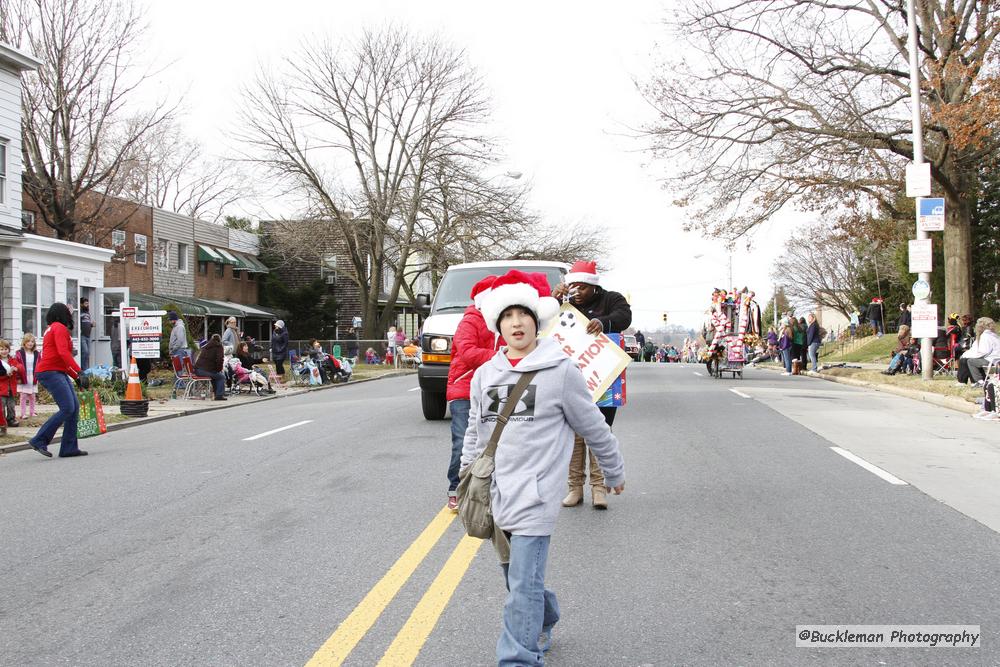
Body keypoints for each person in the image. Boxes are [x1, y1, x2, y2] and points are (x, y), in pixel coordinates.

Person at [461, 270, 624, 665]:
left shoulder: (561, 371)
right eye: (508, 316)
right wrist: (463, 478)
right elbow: (475, 430)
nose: (517, 323)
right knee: (516, 578)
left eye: (524, 315)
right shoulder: (485, 374)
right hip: (495, 494)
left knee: (521, 583)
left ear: (537, 321)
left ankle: (517, 658)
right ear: (498, 325)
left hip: (536, 495)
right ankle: (544, 615)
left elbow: (592, 425)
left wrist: (614, 471)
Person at [551, 260, 632, 509]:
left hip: (604, 377)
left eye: (582, 288)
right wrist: (553, 300)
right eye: (572, 286)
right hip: (571, 378)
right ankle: (574, 488)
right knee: (574, 435)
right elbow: (542, 322)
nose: (577, 292)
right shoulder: (566, 302)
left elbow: (624, 317)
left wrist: (603, 323)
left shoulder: (611, 299)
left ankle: (599, 488)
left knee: (600, 430)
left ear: (594, 287)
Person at [445, 275, 504, 512]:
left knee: (492, 440)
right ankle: (455, 488)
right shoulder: (471, 320)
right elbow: (468, 352)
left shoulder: (502, 320)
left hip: (494, 387)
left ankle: (485, 486)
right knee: (463, 441)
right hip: (464, 388)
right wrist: (502, 356)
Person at [26, 303, 86, 458]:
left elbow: (59, 358)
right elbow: (63, 353)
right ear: (62, 314)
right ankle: (39, 440)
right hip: (50, 372)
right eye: (68, 313)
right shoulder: (59, 327)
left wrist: (76, 377)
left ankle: (69, 447)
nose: (70, 315)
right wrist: (79, 371)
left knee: (74, 407)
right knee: (67, 408)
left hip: (55, 370)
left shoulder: (52, 328)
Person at [958, 317, 1000, 386]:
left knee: (970, 361)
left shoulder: (985, 336)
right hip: (996, 359)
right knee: (970, 359)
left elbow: (984, 351)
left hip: (992, 360)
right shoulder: (994, 335)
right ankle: (973, 381)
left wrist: (967, 355)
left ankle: (979, 381)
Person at [195, 334, 227, 401]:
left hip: (197, 370)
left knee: (216, 376)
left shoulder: (206, 346)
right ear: (219, 340)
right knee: (221, 377)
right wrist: (219, 369)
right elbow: (220, 359)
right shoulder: (219, 346)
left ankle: (216, 393)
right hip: (206, 371)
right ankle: (219, 395)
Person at [16, 333, 39, 420]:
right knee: (23, 396)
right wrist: (18, 377)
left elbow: (39, 364)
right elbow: (17, 364)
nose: (30, 343)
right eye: (28, 341)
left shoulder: (36, 353)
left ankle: (32, 412)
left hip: (32, 377)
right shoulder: (19, 353)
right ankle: (23, 413)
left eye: (32, 341)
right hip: (23, 377)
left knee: (32, 396)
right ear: (24, 342)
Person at [0, 339, 21, 428]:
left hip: (11, 388)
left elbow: (19, 367)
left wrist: (16, 369)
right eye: (1, 349)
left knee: (11, 405)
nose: (4, 351)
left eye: (6, 349)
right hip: (2, 388)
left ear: (9, 349)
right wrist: (6, 374)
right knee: (2, 405)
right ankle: (2, 421)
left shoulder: (12, 360)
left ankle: (11, 419)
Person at [79, 297, 93, 370]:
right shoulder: (79, 312)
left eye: (88, 303)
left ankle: (87, 368)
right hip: (82, 335)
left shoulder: (87, 313)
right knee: (85, 352)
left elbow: (87, 322)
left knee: (88, 353)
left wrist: (91, 324)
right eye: (85, 303)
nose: (87, 305)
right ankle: (83, 369)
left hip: (88, 335)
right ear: (81, 304)